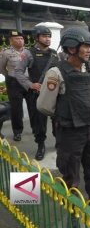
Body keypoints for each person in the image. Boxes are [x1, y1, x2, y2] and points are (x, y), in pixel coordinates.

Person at [36, 27, 90, 216]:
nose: (89, 50)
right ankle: (73, 208)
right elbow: (44, 105)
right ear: (71, 48)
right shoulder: (56, 72)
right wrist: (65, 115)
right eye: (84, 46)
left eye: (89, 46)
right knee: (70, 173)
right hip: (70, 132)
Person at [15, 25, 59, 160]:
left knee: (58, 120)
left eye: (49, 36)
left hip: (54, 93)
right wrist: (30, 85)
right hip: (37, 94)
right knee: (39, 123)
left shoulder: (54, 53)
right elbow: (17, 71)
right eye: (44, 36)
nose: (47, 39)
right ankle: (41, 145)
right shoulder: (28, 53)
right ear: (37, 37)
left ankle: (59, 141)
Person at [0, 30, 27, 141]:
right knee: (16, 109)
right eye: (17, 39)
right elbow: (1, 68)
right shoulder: (6, 53)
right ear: (11, 41)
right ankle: (17, 132)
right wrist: (10, 76)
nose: (20, 40)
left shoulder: (29, 52)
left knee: (33, 107)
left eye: (21, 38)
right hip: (14, 82)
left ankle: (37, 129)